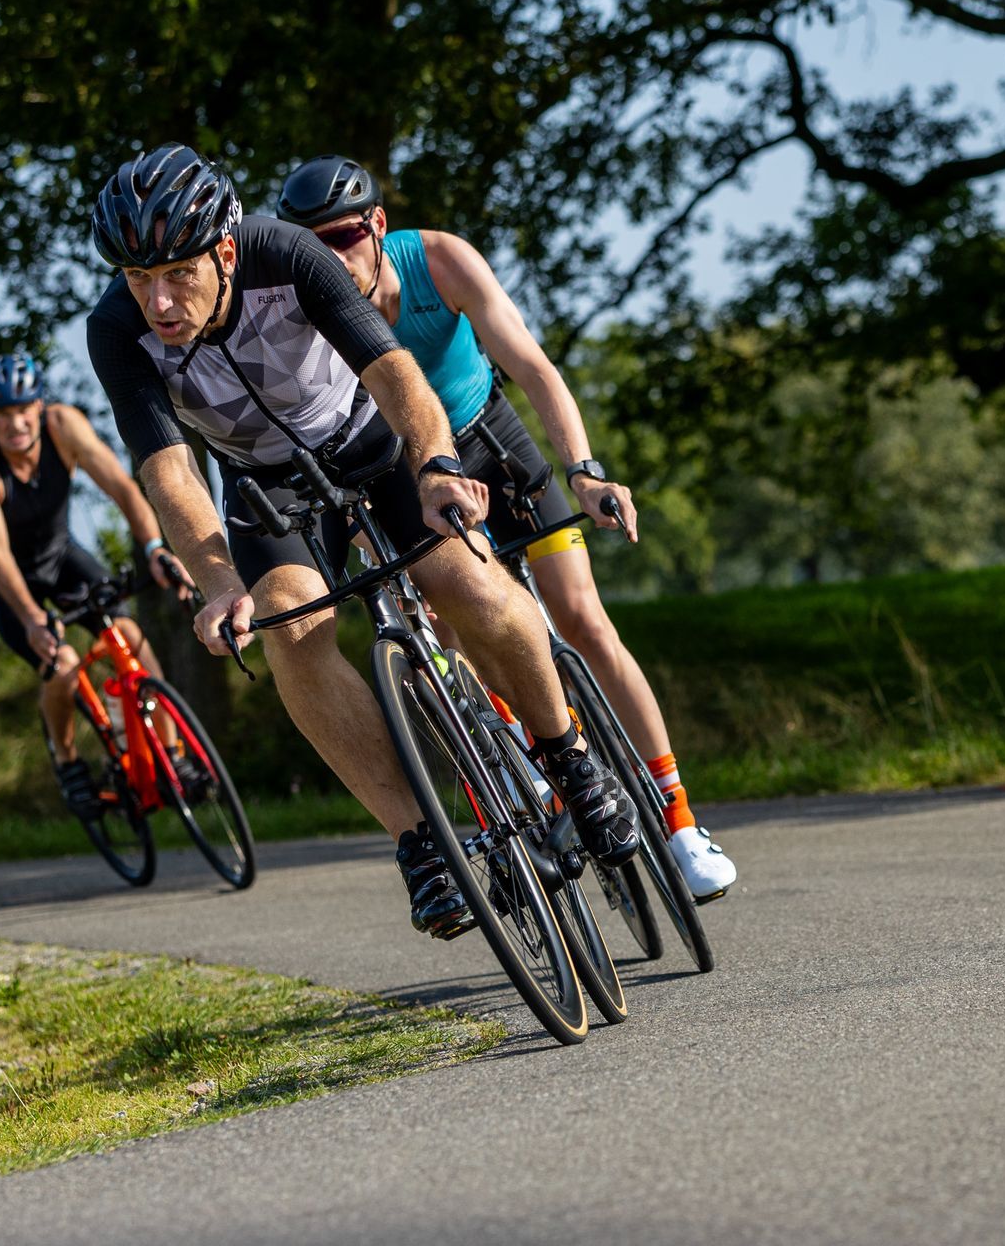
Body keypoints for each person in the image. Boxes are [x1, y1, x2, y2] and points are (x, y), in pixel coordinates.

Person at [84, 143, 638, 940]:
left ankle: (572, 764)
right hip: (265, 487)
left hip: (370, 440)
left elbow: (396, 376)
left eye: (178, 274)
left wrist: (439, 466)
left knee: (468, 582)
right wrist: (217, 585)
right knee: (290, 627)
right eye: (140, 280)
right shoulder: (116, 331)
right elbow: (172, 476)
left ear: (227, 251)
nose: (159, 302)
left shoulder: (289, 255)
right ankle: (422, 843)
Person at [276, 155, 737, 902]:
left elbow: (533, 366)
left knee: (583, 619)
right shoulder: (305, 316)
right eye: (311, 246)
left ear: (377, 226)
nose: (331, 259)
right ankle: (533, 782)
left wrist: (583, 469)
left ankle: (681, 823)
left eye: (343, 237)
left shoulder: (440, 260)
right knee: (463, 627)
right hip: (404, 470)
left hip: (487, 436)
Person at [0, 353, 199, 819]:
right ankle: (69, 765)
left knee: (130, 640)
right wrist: (31, 619)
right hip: (4, 577)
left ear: (39, 405)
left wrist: (152, 548)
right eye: (2, 414)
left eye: (23, 408)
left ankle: (173, 759)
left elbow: (124, 489)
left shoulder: (64, 426)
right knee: (62, 664)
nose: (16, 422)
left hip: (60, 555)